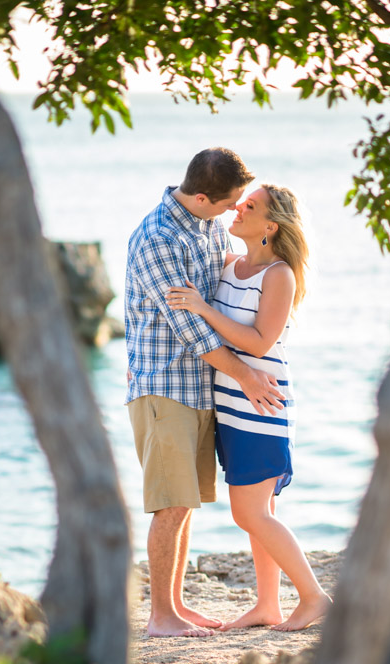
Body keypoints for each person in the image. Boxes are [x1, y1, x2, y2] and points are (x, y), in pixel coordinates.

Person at [125, 149, 285, 638]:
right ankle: (161, 617)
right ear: (201, 196)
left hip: (200, 389)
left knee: (185, 502)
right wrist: (247, 375)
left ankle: (175, 605)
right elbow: (191, 330)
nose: (236, 209)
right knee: (169, 504)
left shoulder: (209, 225)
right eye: (232, 202)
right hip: (163, 386)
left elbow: (224, 294)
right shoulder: (158, 239)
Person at [167, 183, 332, 631]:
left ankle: (314, 597)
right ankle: (267, 606)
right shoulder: (229, 264)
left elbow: (259, 342)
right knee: (260, 514)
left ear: (270, 227)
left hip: (261, 402)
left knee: (250, 512)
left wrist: (204, 310)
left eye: (250, 206)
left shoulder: (279, 274)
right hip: (231, 405)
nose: (238, 208)